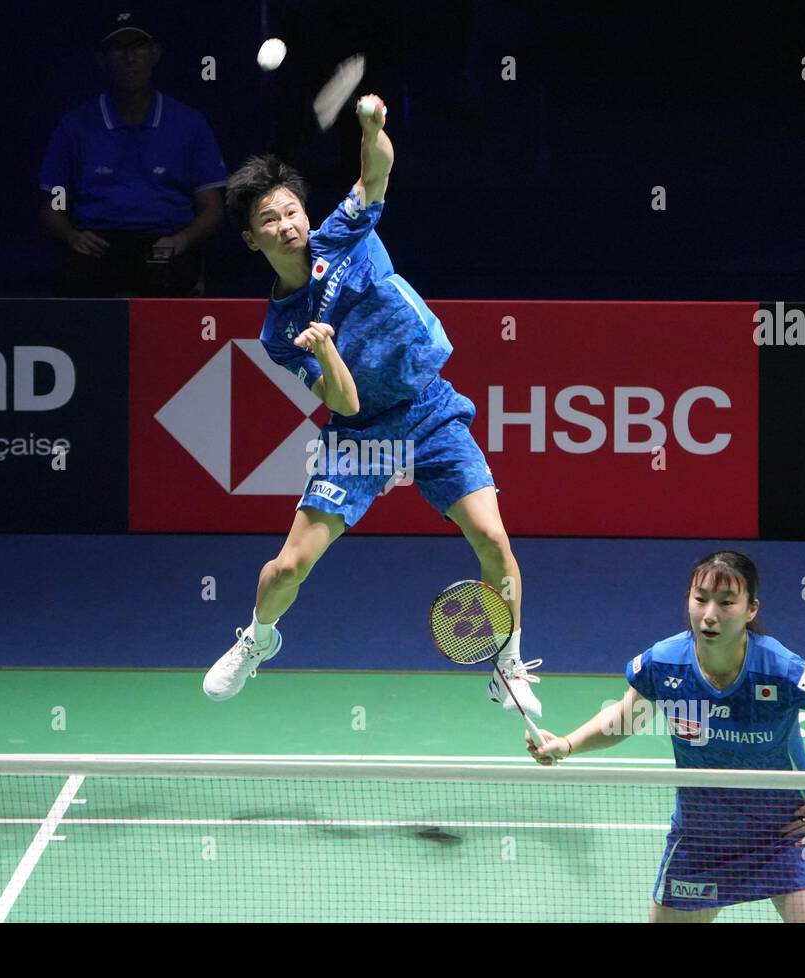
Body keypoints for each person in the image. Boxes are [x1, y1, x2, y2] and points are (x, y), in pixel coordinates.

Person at [203, 93, 542, 719]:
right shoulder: (278, 334)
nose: (288, 224)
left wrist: (373, 127)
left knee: (494, 538)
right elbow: (344, 400)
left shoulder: (343, 231)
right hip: (360, 433)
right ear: (252, 239)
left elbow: (375, 173)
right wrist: (327, 350)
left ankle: (508, 660)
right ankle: (257, 639)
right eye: (270, 220)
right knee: (286, 570)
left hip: (429, 407)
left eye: (292, 210)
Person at [529, 550, 805, 923]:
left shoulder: (779, 670)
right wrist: (566, 744)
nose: (710, 614)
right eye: (700, 599)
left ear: (751, 610)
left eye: (727, 602)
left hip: (787, 833)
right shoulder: (665, 663)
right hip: (703, 837)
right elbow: (624, 719)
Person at [38, 10, 225, 296]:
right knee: (73, 276)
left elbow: (211, 208)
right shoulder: (74, 126)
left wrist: (182, 240)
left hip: (164, 241)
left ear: (155, 54)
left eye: (138, 47)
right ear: (101, 59)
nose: (129, 58)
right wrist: (71, 236)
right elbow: (52, 205)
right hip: (98, 241)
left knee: (168, 277)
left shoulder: (190, 124)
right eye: (117, 48)